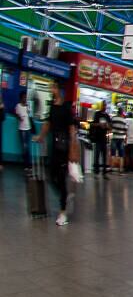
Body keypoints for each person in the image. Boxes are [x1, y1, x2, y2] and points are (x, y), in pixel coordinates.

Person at [35, 86, 79, 227]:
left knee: (60, 177)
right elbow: (48, 124)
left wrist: (72, 149)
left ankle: (63, 212)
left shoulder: (66, 108)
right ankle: (65, 197)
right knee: (51, 176)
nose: (50, 90)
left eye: (53, 87)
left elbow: (72, 129)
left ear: (59, 90)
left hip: (64, 148)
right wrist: (40, 137)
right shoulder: (52, 107)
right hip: (54, 146)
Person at [88, 100, 110, 178]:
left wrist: (107, 126)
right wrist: (99, 125)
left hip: (104, 138)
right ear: (101, 106)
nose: (104, 107)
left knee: (104, 156)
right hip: (97, 138)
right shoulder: (97, 114)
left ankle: (104, 173)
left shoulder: (107, 116)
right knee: (97, 155)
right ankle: (96, 172)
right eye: (103, 105)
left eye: (105, 105)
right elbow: (92, 124)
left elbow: (110, 127)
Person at [16, 91, 33, 172]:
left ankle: (28, 165)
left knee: (27, 147)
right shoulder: (18, 106)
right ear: (21, 98)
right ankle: (26, 164)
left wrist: (28, 109)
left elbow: (30, 115)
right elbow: (16, 115)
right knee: (24, 148)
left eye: (26, 97)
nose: (25, 99)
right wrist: (19, 117)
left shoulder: (27, 106)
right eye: (24, 97)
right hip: (22, 129)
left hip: (28, 129)